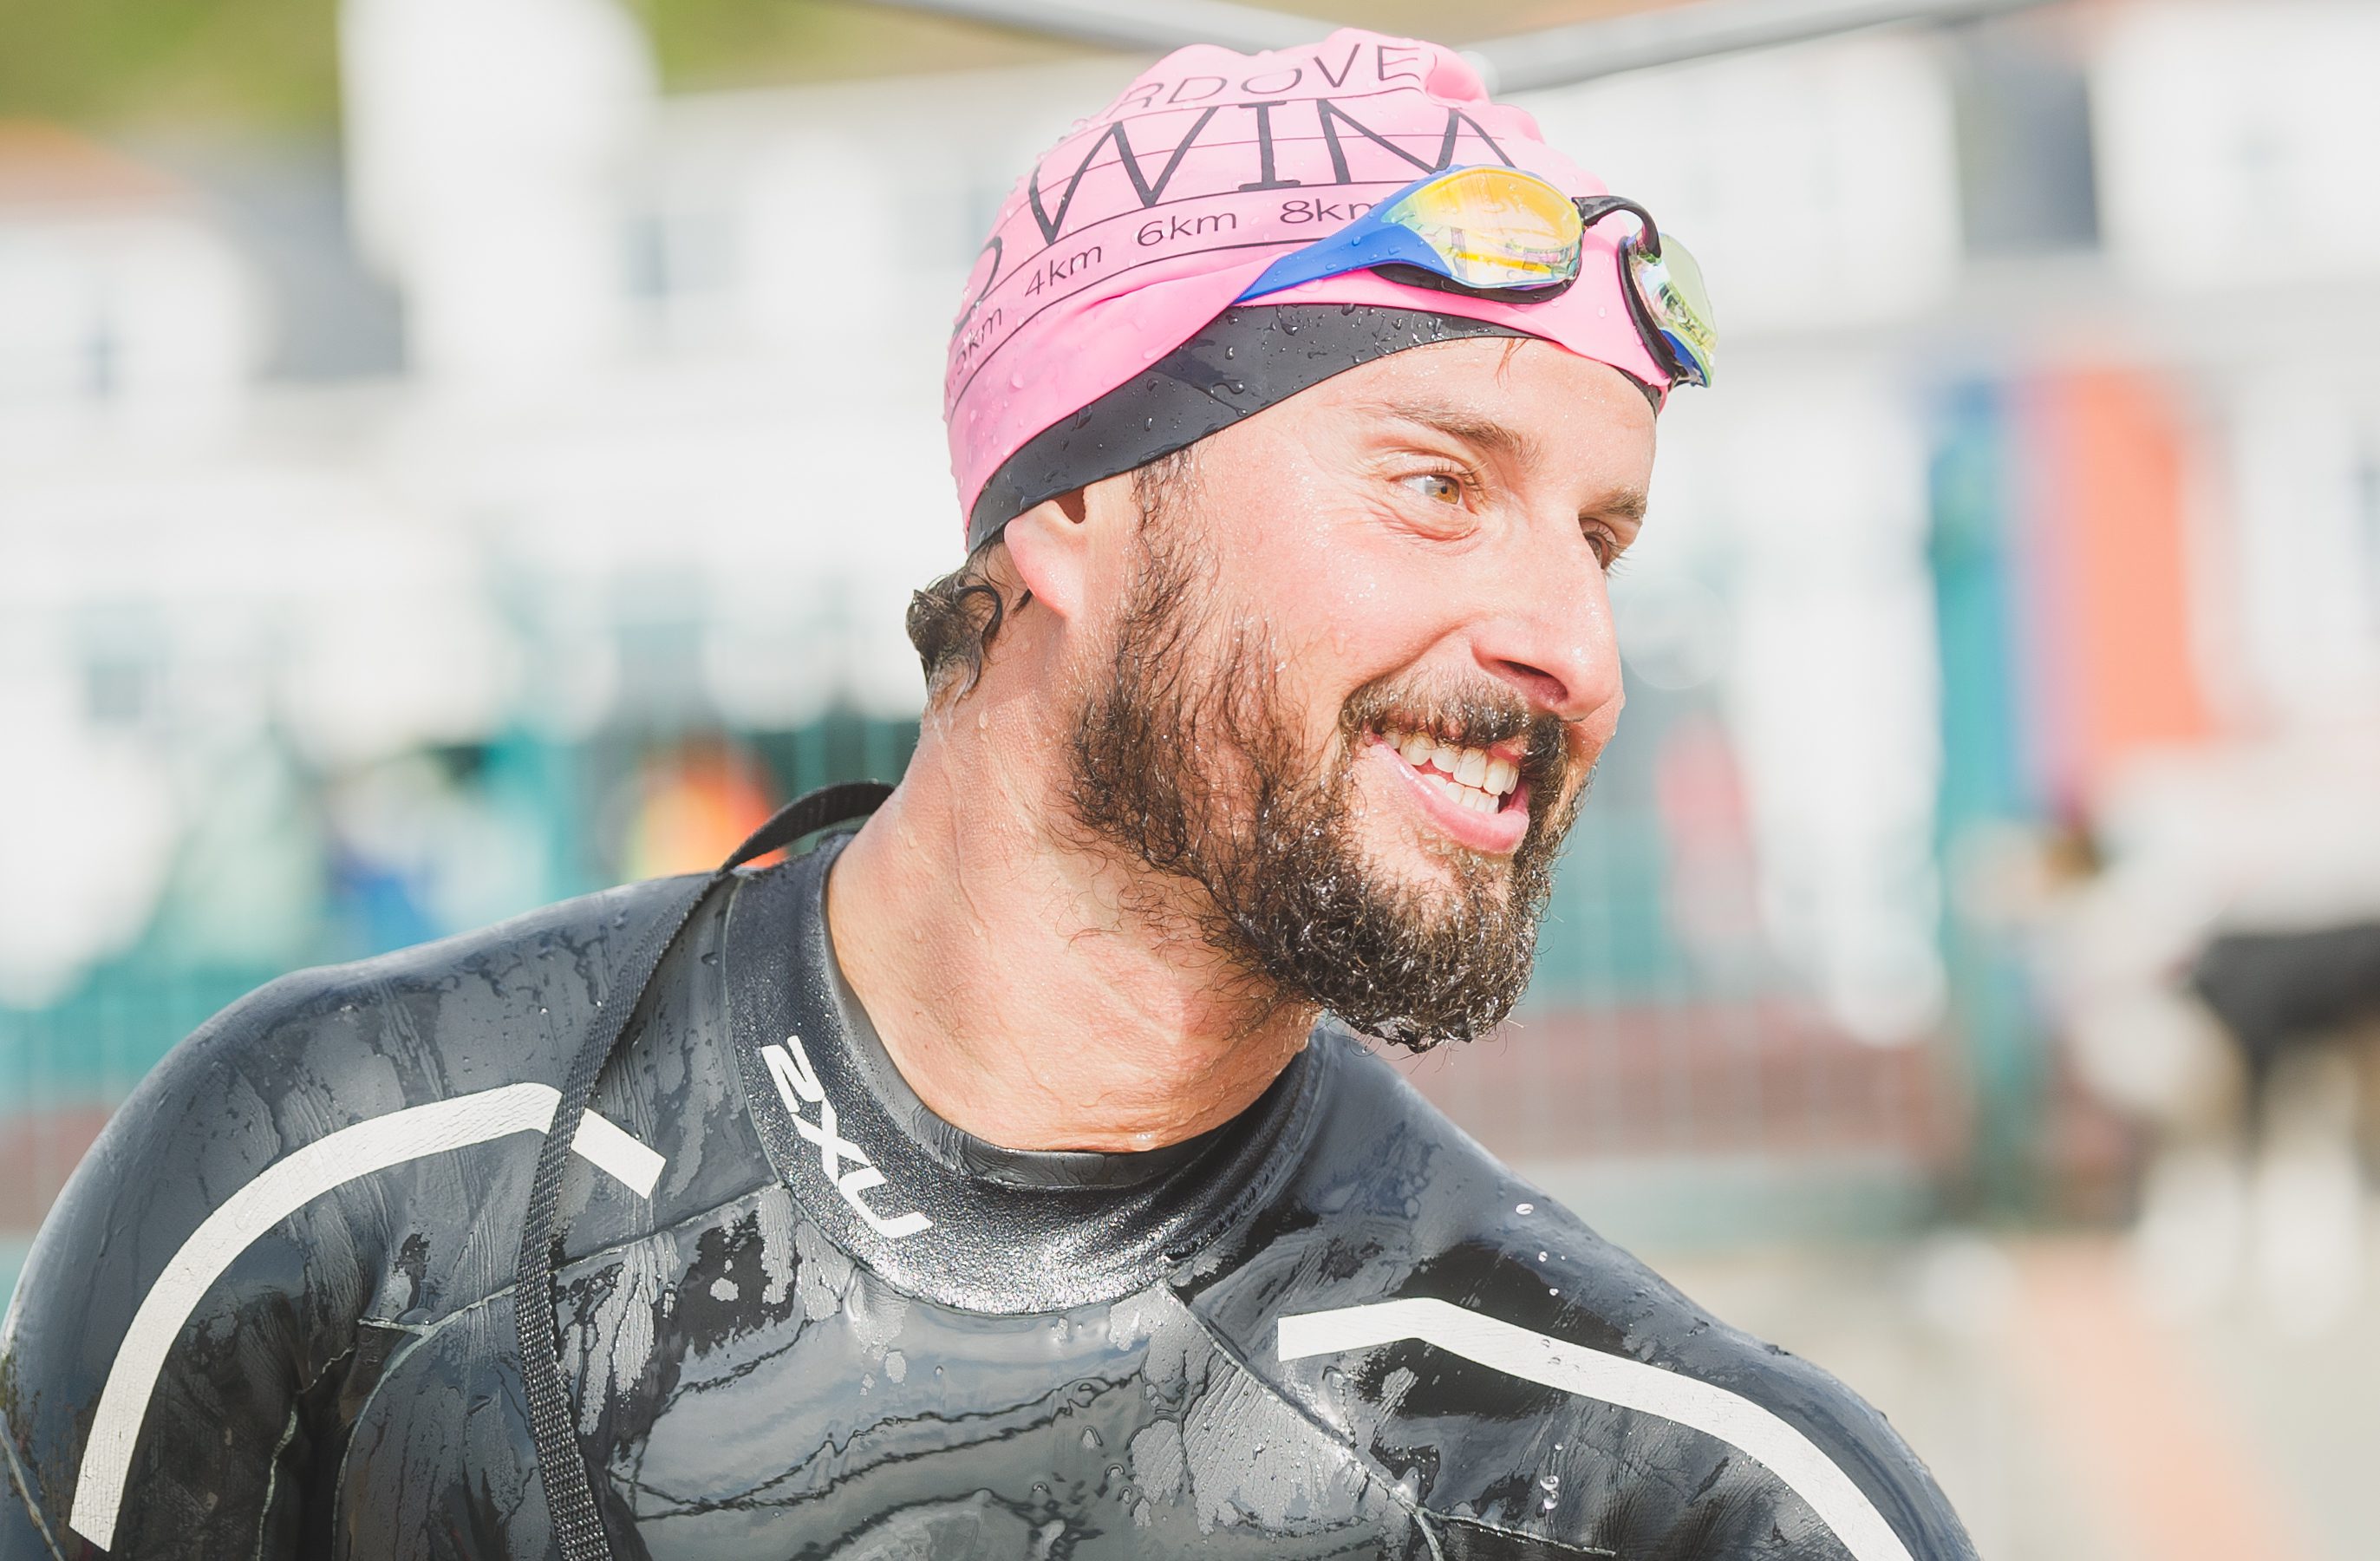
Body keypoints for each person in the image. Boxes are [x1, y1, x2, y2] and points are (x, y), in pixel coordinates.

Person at [1, 29, 1974, 1560]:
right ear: (1072, 510)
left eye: (1601, 540)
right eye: (1435, 482)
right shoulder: (331, 1198)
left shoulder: (1677, 1487)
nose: (1571, 644)